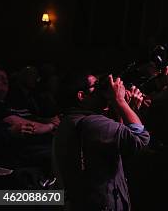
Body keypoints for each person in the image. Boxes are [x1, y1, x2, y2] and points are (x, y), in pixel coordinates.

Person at [53, 73, 150, 211]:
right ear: (82, 96)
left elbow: (120, 142)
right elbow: (140, 139)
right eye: (96, 86)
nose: (103, 90)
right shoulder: (91, 123)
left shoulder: (71, 120)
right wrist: (119, 101)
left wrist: (127, 109)